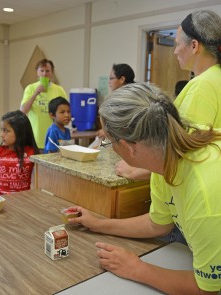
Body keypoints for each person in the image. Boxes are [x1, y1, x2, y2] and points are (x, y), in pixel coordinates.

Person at [68, 82, 221, 294]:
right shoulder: (165, 156)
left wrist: (137, 269)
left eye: (109, 142)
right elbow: (157, 224)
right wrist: (98, 224)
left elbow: (209, 291)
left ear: (130, 146)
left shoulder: (206, 194)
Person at [115, 10, 221, 180]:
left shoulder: (202, 85)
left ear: (194, 46)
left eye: (177, 44)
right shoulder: (216, 78)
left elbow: (185, 149)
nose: (175, 51)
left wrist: (138, 170)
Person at [20, 58, 67, 153]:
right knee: (36, 167)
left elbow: (67, 112)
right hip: (35, 138)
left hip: (55, 137)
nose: (44, 74)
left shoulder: (59, 90)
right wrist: (35, 93)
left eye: (47, 71)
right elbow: (23, 111)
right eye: (41, 70)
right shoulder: (30, 88)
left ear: (52, 72)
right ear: (37, 72)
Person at [0, 110, 39, 195]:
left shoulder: (33, 154)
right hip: (1, 201)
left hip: (23, 201)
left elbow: (37, 182)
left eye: (6, 131)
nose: (1, 134)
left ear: (20, 132)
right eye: (1, 130)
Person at [97, 63, 135, 138]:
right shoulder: (120, 97)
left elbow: (126, 126)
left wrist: (107, 132)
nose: (109, 82)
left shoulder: (129, 99)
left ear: (122, 79)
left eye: (111, 78)